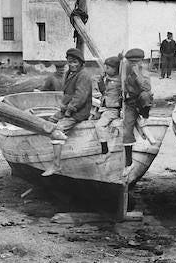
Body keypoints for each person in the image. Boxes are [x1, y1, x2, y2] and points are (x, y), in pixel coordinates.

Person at [42, 48, 93, 176]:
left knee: (57, 131)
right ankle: (49, 152)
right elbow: (68, 94)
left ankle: (56, 165)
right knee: (49, 122)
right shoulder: (69, 73)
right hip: (67, 110)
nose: (72, 65)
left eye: (75, 62)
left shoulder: (84, 76)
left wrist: (68, 111)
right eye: (70, 62)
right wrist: (62, 109)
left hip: (78, 112)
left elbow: (80, 98)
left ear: (81, 63)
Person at [122, 48, 154, 174]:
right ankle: (129, 163)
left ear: (141, 61)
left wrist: (136, 75)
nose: (133, 64)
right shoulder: (124, 69)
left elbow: (147, 88)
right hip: (130, 103)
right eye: (131, 62)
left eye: (136, 62)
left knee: (145, 95)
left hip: (141, 102)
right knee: (127, 129)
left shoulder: (144, 72)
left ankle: (145, 116)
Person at [94, 55, 123, 131]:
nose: (105, 70)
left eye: (107, 68)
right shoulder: (108, 79)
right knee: (94, 117)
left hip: (112, 109)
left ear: (115, 69)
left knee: (99, 125)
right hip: (104, 107)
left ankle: (104, 142)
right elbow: (104, 91)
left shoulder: (118, 81)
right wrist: (100, 81)